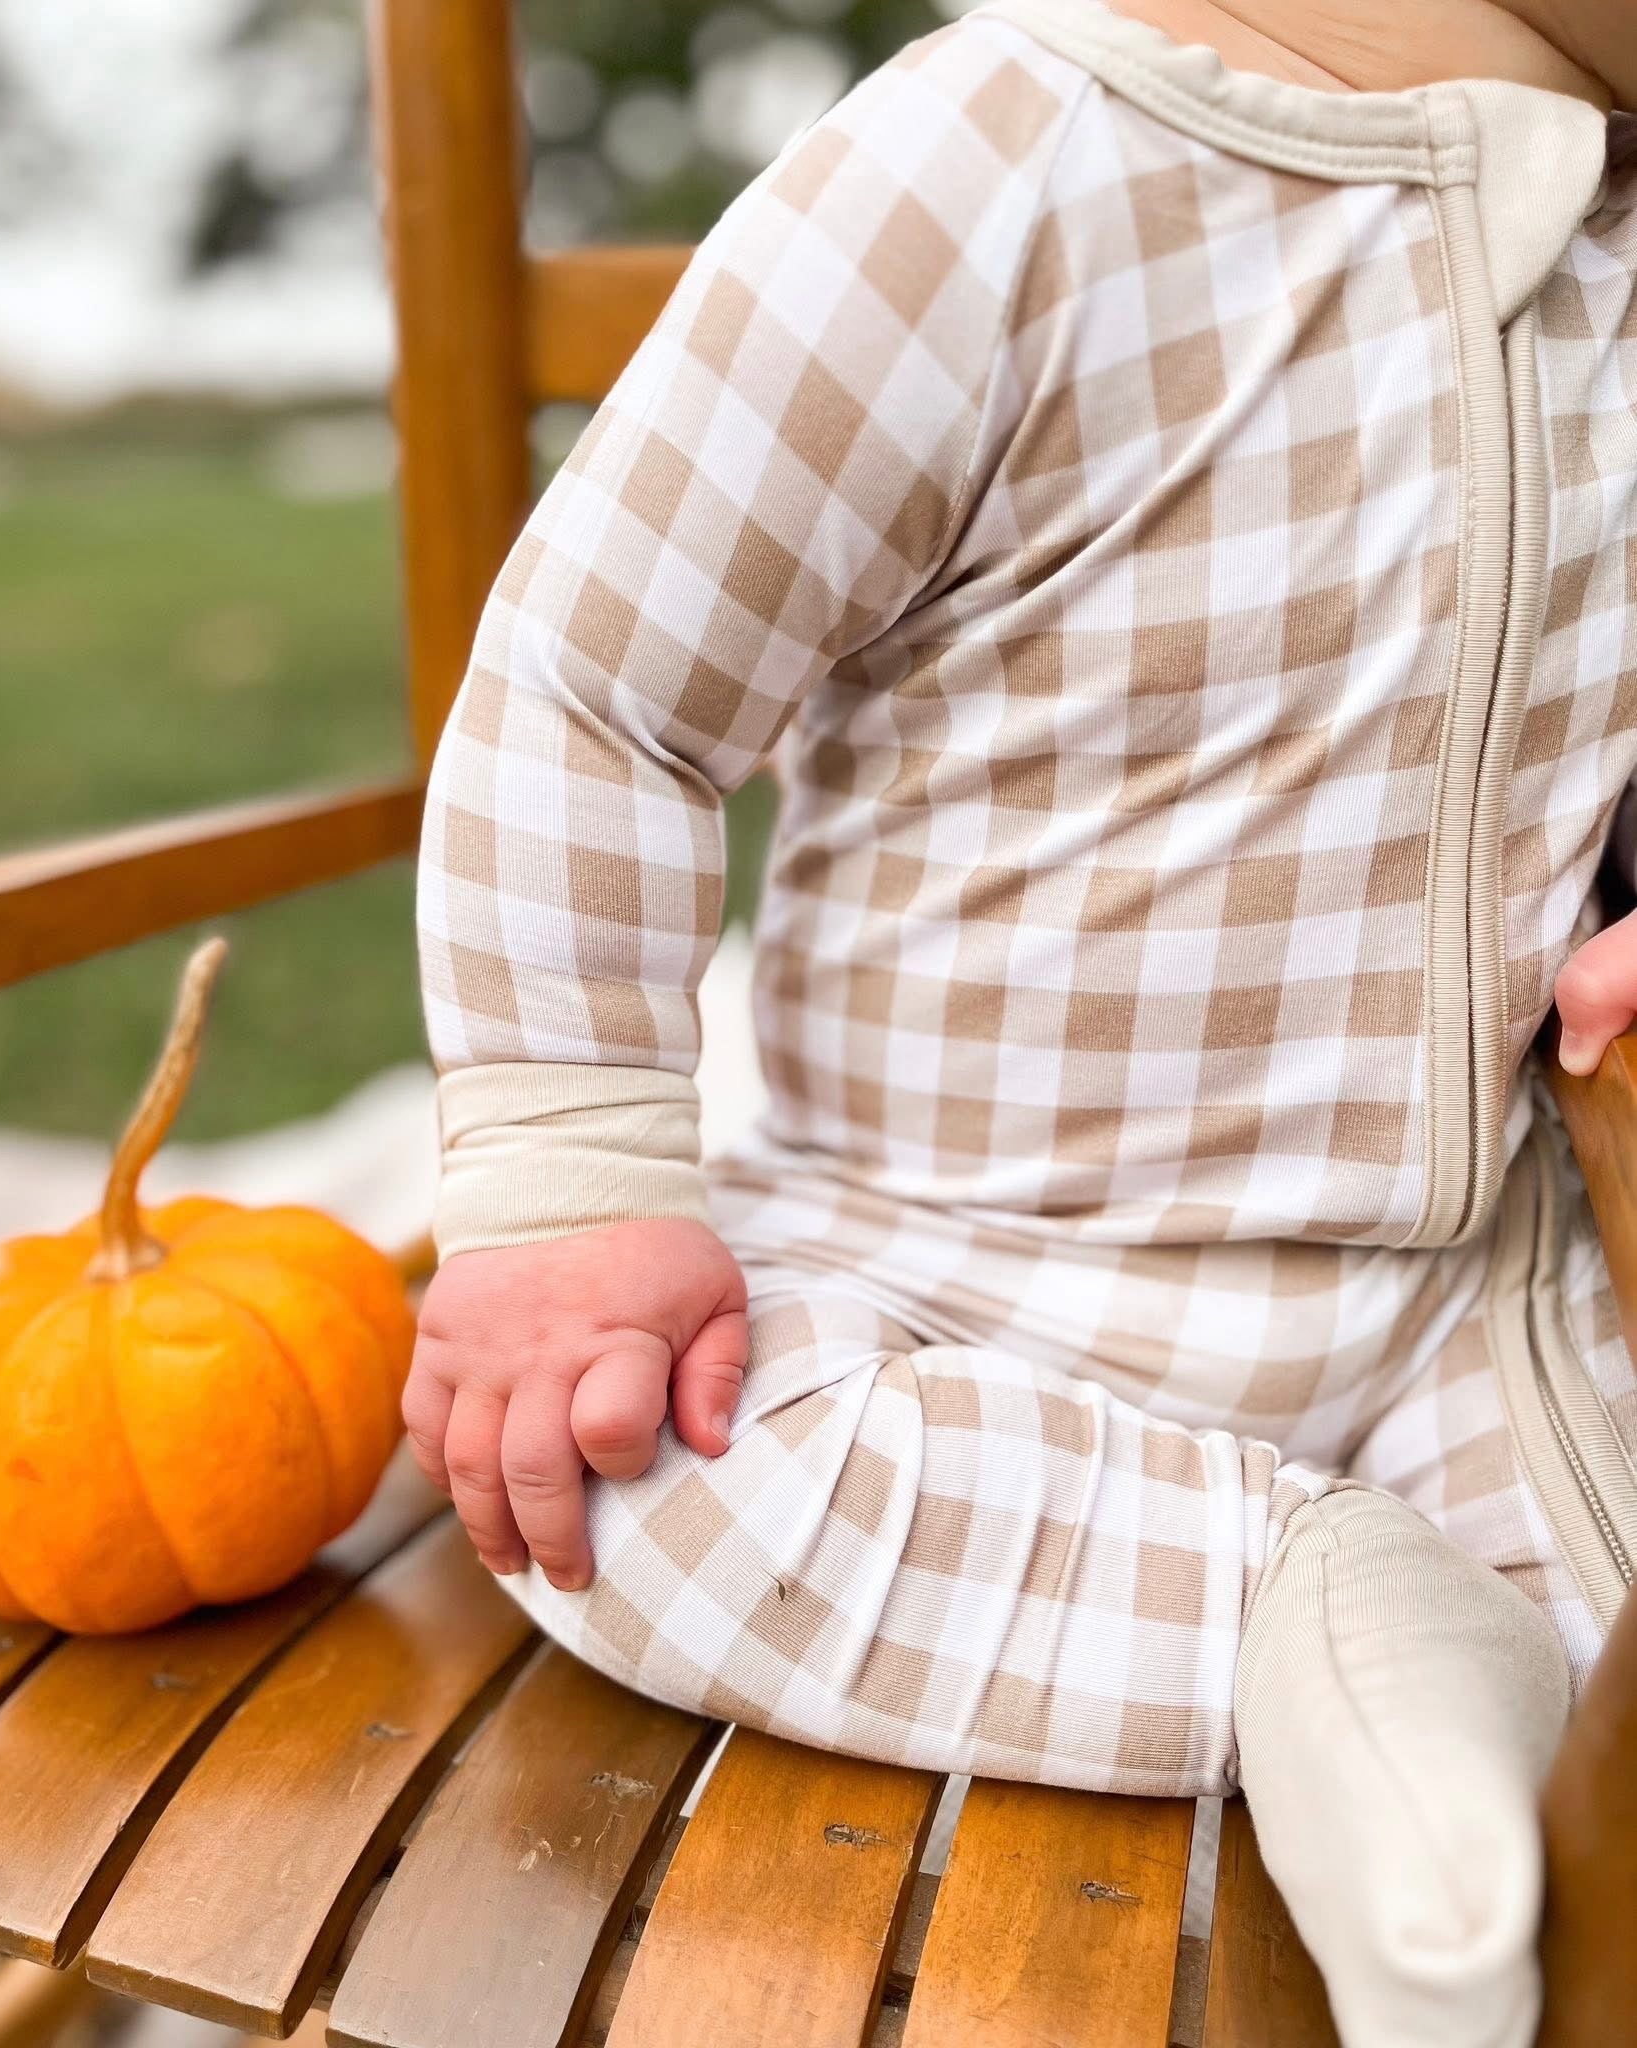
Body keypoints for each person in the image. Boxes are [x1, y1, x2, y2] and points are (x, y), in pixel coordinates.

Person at [405, 3, 1637, 2040]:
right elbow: (599, 690)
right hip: (936, 1281)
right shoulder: (999, 159)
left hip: (1467, 1308)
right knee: (612, 1477)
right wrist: (571, 1190)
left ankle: (1433, 1737)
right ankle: (1297, 1614)